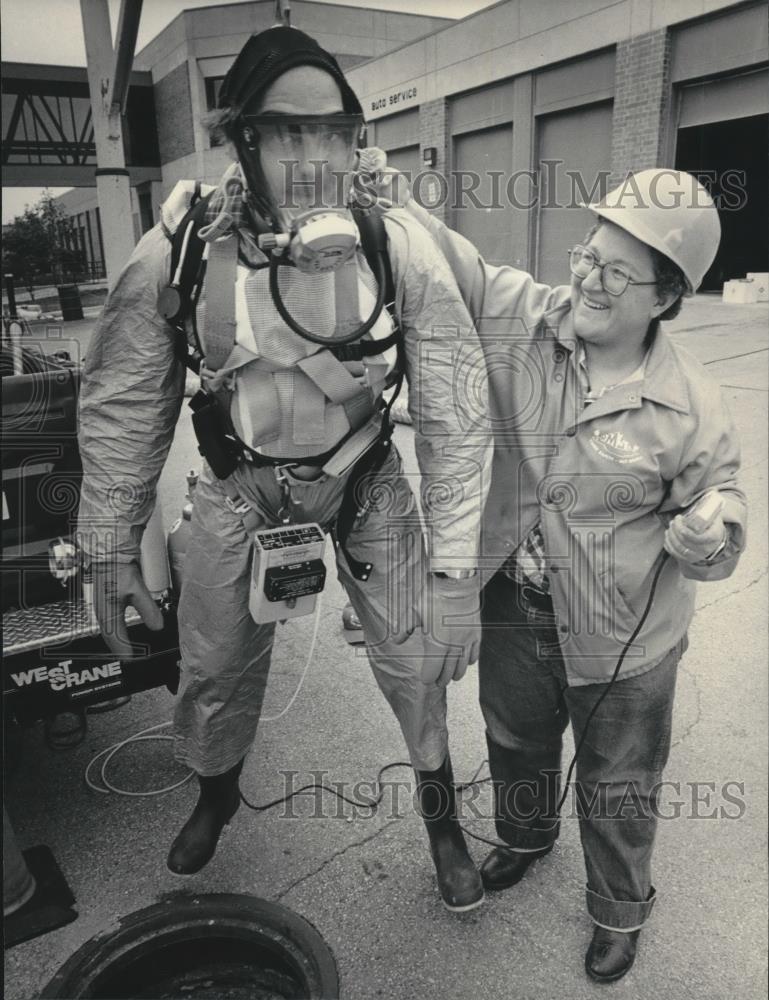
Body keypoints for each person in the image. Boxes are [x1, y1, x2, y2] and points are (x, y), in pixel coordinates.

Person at [76, 26, 492, 913]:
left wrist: (455, 575)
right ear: (245, 140)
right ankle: (216, 793)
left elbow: (457, 406)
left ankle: (440, 819)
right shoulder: (182, 249)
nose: (314, 158)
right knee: (214, 662)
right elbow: (124, 401)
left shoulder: (396, 245)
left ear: (356, 139)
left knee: (418, 657)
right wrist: (111, 542)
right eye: (288, 132)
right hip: (239, 485)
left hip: (362, 478)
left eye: (333, 132)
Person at [381, 166, 746, 980]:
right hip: (514, 600)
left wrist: (708, 538)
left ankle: (618, 911)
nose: (587, 277)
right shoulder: (532, 321)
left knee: (618, 783)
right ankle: (524, 838)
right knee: (513, 739)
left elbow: (722, 518)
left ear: (664, 296)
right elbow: (461, 266)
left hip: (625, 634)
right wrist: (391, 202)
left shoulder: (689, 402)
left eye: (617, 270)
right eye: (587, 255)